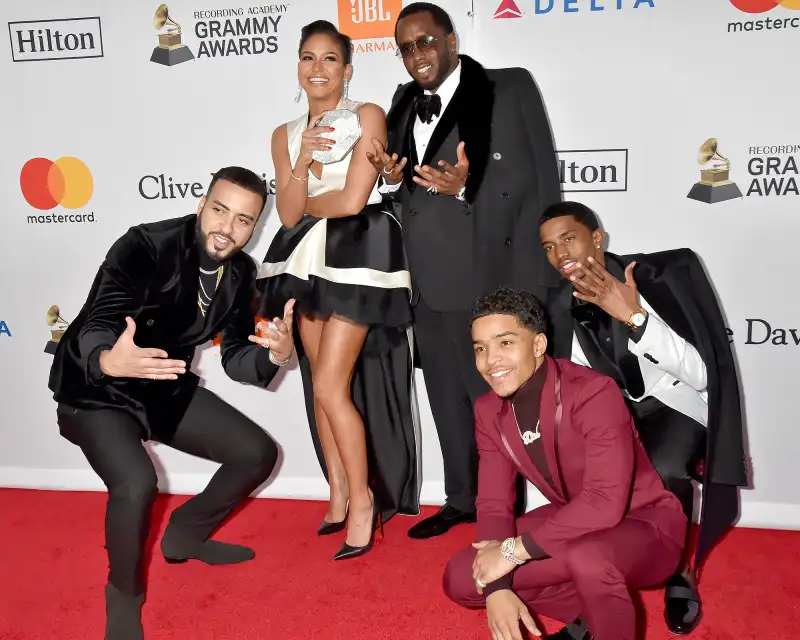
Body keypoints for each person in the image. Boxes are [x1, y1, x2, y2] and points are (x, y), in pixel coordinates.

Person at [48, 167, 295, 640]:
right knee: (136, 483)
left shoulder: (241, 272)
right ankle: (123, 599)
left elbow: (237, 355)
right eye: (220, 211)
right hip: (96, 387)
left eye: (244, 220)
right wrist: (107, 360)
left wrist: (276, 355)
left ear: (255, 225)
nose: (227, 228)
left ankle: (184, 534)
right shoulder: (144, 245)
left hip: (162, 383)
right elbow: (98, 318)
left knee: (256, 454)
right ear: (201, 205)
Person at [367, 2, 563, 540]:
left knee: (502, 401)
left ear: (451, 40)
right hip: (426, 281)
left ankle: (513, 510)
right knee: (447, 398)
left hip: (489, 276)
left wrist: (468, 189)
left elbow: (537, 179)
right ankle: (461, 499)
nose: (416, 56)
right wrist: (389, 180)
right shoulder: (404, 102)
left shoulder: (509, 87)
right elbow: (408, 186)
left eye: (425, 42)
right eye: (406, 48)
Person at [538, 201, 747, 635]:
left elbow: (703, 375)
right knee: (587, 477)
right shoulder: (553, 306)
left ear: (597, 238)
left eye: (569, 238)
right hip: (612, 414)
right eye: (549, 247)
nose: (560, 254)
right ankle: (598, 588)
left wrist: (633, 318)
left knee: (665, 468)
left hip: (672, 403)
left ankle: (679, 571)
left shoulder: (657, 280)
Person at [257, 20, 419, 561]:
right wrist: (301, 159)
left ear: (346, 70)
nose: (318, 68)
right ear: (298, 67)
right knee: (316, 388)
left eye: (330, 59)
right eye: (308, 58)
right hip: (304, 260)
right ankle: (338, 492)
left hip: (356, 254)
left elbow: (351, 202)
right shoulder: (283, 134)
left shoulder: (368, 115)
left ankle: (365, 502)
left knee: (331, 387)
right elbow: (284, 212)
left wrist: (306, 204)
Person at [443, 287, 687, 640]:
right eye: (480, 348)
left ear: (538, 345)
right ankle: (589, 615)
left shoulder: (592, 392)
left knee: (588, 558)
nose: (490, 359)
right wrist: (496, 587)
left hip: (647, 526)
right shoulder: (487, 410)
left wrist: (512, 553)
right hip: (574, 522)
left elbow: (603, 504)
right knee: (464, 577)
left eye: (505, 343)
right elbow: (495, 502)